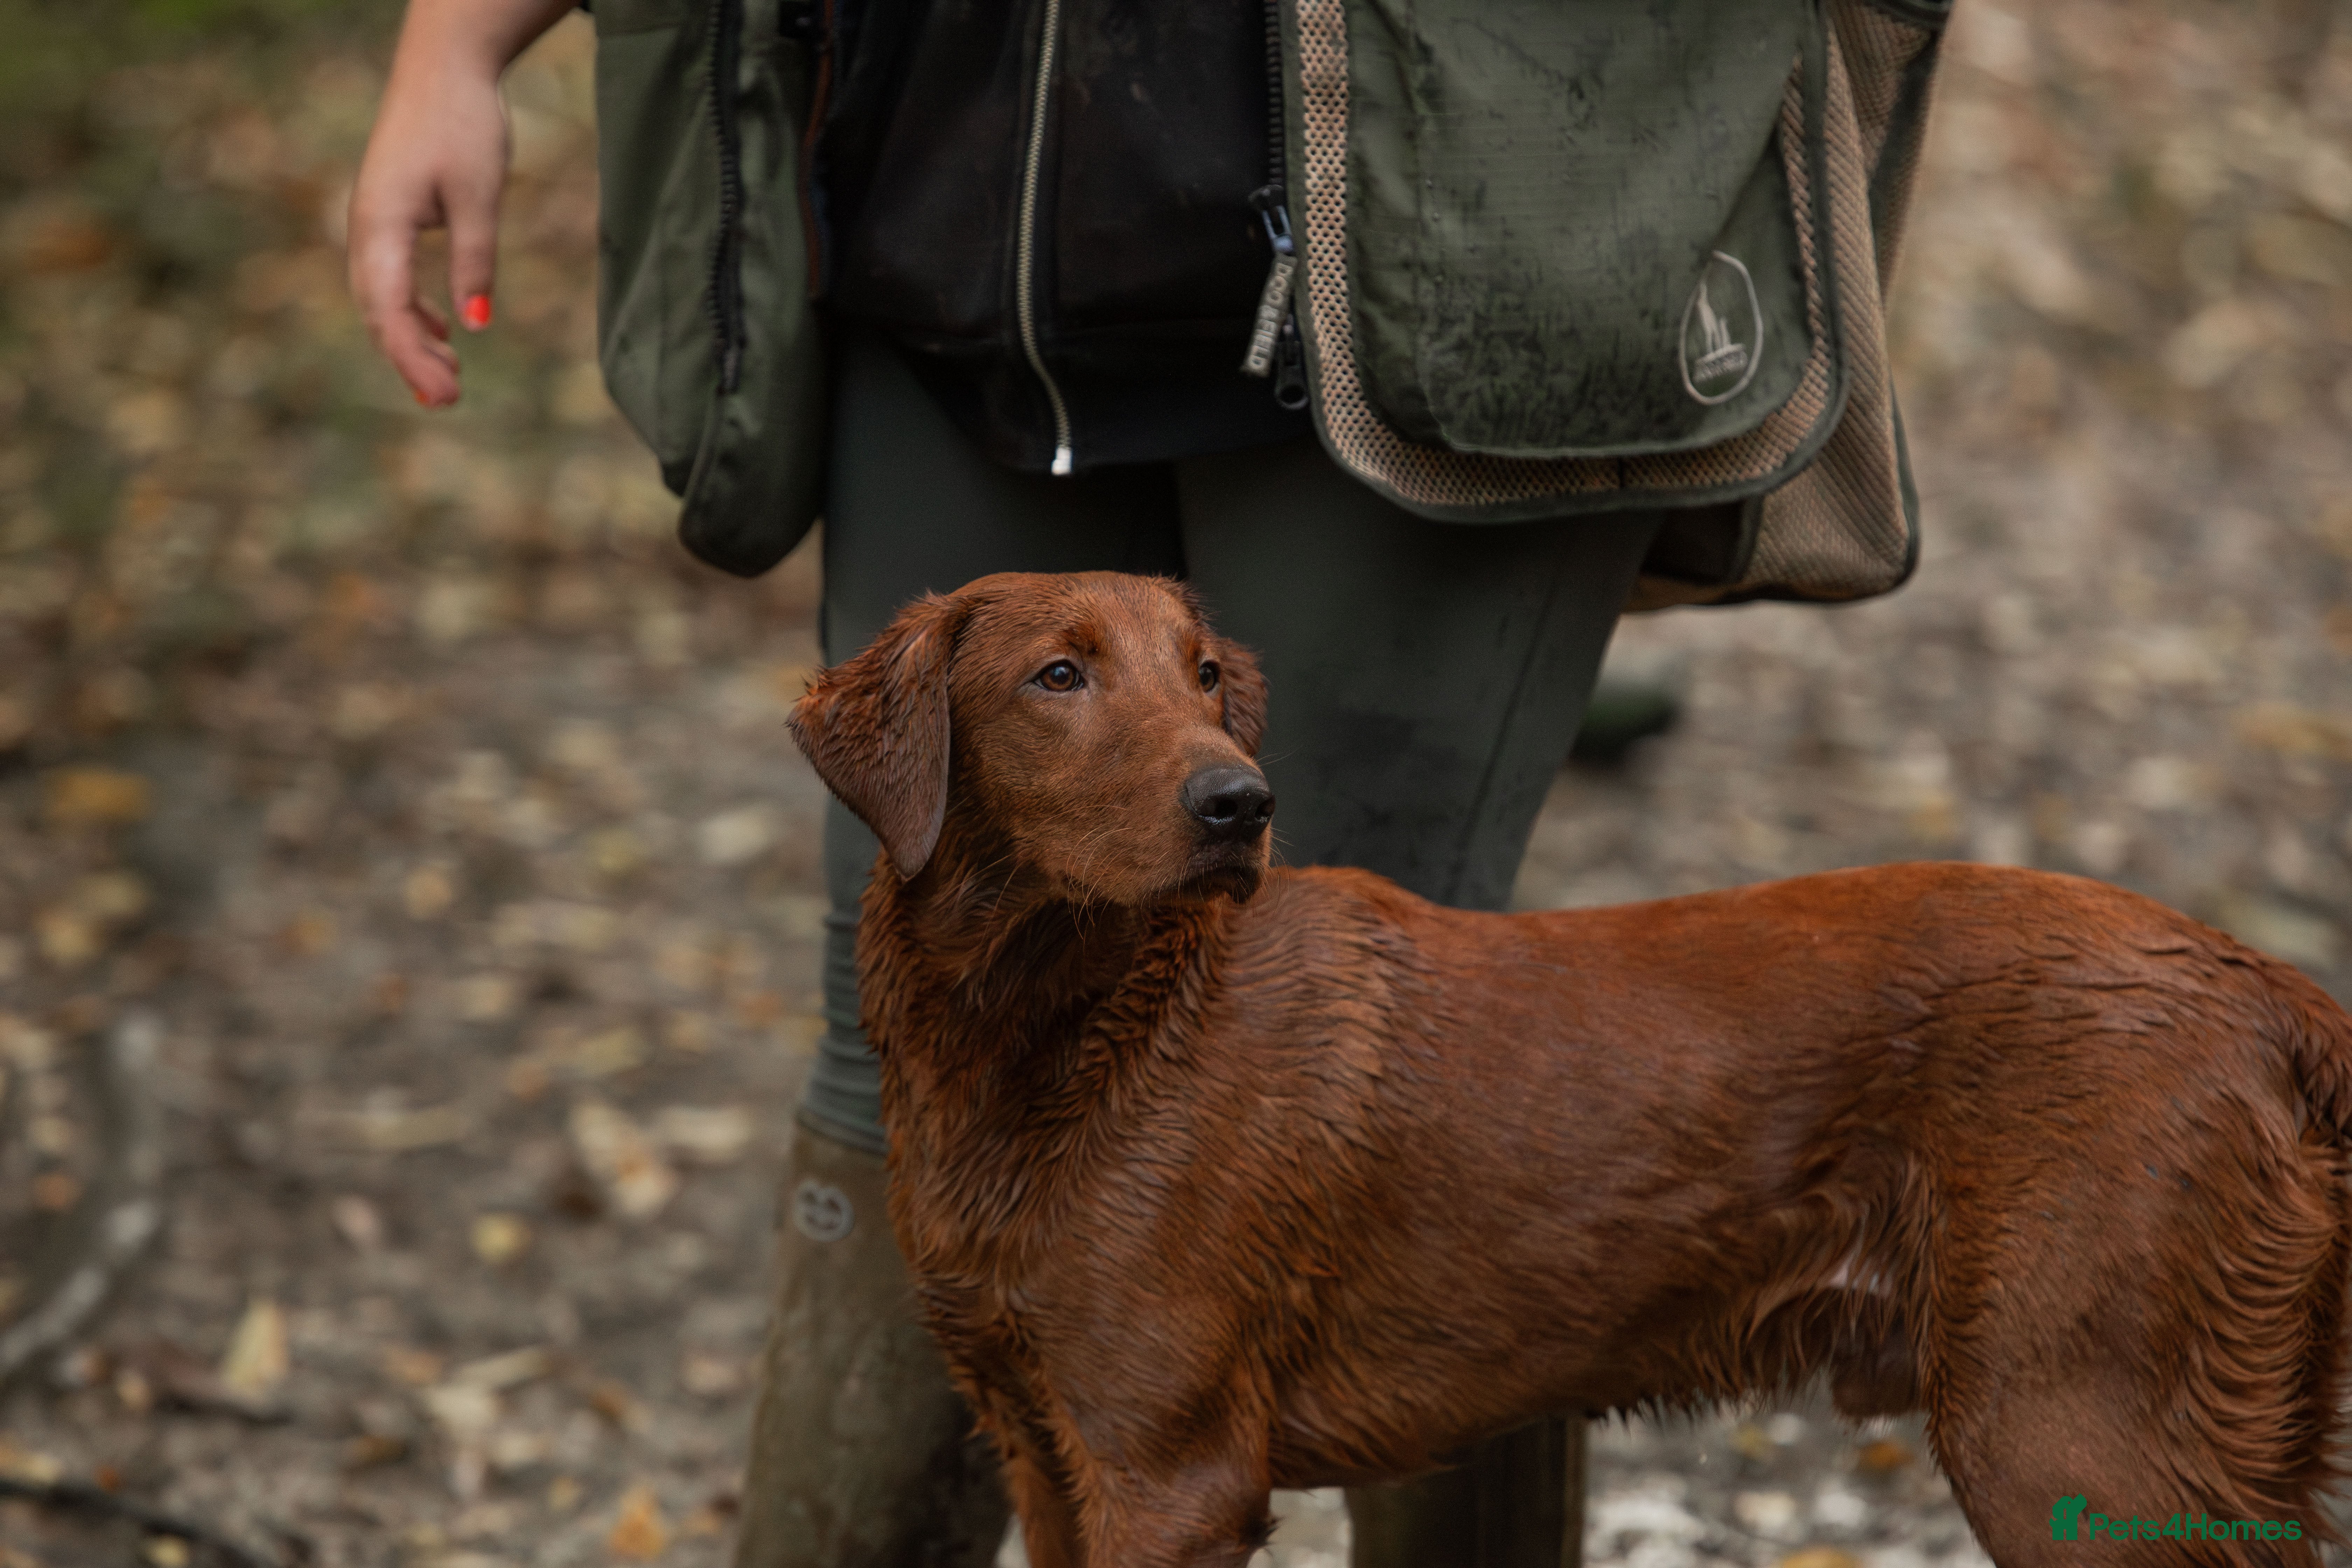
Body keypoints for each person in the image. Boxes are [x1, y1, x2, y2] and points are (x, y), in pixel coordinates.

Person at [351, 4, 1706, 1562]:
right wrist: (452, 48)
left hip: (1445, 232)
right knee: (902, 994)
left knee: (1406, 1052)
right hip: (942, 225)